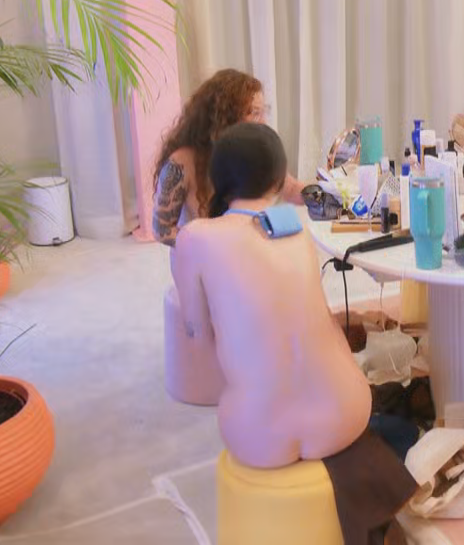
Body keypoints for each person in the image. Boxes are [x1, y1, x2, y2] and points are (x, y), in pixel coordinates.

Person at [172, 123, 416, 544]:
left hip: (261, 437)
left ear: (217, 178)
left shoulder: (195, 238)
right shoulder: (295, 230)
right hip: (346, 414)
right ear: (277, 180)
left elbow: (196, 338)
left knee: (236, 390)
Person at [152, 69, 305, 247]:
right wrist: (209, 245)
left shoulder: (257, 152)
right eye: (255, 113)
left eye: (263, 112)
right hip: (205, 253)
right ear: (226, 116)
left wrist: (326, 194)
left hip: (246, 248)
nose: (263, 123)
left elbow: (291, 189)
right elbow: (161, 229)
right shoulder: (181, 162)